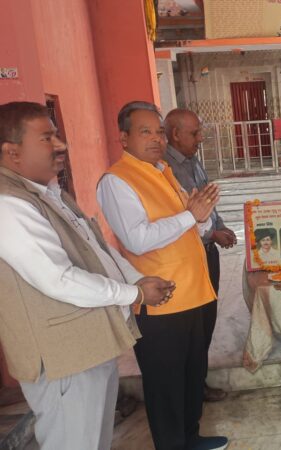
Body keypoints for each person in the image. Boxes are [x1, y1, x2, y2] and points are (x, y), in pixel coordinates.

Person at [0, 101, 174, 450]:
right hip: (64, 358)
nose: (61, 144)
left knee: (94, 441)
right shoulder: (9, 204)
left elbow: (96, 247)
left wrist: (134, 280)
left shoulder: (48, 193)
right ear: (12, 152)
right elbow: (58, 279)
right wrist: (134, 295)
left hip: (89, 346)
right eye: (47, 138)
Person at [97, 101, 228, 450]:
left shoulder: (163, 171)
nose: (156, 139)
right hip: (161, 299)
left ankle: (190, 438)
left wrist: (203, 219)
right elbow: (137, 239)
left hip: (193, 291)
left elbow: (191, 225)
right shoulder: (117, 180)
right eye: (146, 132)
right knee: (165, 383)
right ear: (124, 138)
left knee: (191, 375)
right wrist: (190, 217)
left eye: (158, 132)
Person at [164, 108, 237, 403]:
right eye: (194, 133)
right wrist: (211, 234)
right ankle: (190, 388)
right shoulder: (165, 169)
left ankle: (198, 382)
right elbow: (177, 218)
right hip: (187, 258)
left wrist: (220, 226)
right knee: (192, 327)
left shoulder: (193, 160)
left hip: (208, 254)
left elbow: (206, 204)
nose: (200, 138)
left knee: (206, 320)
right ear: (175, 134)